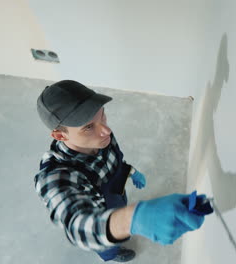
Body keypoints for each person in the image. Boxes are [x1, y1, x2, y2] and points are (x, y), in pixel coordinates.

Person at [34, 80, 205, 262]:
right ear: (60, 135)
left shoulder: (102, 137)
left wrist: (130, 171)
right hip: (99, 216)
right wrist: (129, 221)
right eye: (88, 127)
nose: (106, 130)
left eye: (102, 116)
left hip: (117, 196)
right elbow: (77, 225)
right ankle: (112, 255)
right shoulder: (57, 175)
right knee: (108, 245)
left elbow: (115, 161)